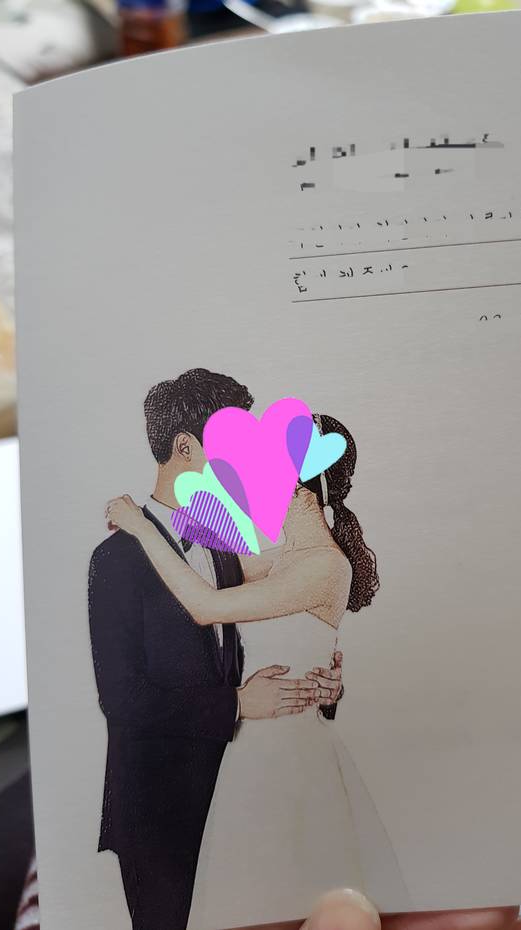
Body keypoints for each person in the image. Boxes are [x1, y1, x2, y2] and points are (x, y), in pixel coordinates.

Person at [106, 413, 411, 927]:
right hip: (252, 753)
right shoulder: (285, 557)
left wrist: (139, 526)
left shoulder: (324, 565)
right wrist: (151, 529)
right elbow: (202, 569)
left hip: (290, 761)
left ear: (300, 487)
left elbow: (205, 605)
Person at [88, 369, 342, 930]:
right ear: (185, 447)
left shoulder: (223, 544)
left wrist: (320, 684)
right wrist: (237, 705)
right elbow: (122, 698)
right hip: (160, 808)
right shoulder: (116, 560)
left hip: (238, 797)